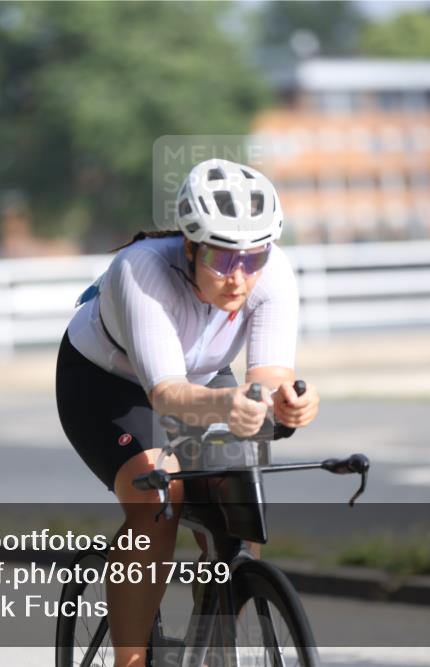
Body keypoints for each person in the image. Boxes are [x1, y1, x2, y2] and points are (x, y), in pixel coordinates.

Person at [56, 158, 320, 666]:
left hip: (203, 381)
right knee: (161, 496)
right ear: (192, 246)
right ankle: (130, 660)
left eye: (253, 258)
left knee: (239, 505)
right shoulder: (143, 270)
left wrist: (288, 401)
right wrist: (228, 402)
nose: (239, 278)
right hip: (109, 384)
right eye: (223, 261)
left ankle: (214, 641)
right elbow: (167, 396)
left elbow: (267, 377)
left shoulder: (273, 274)